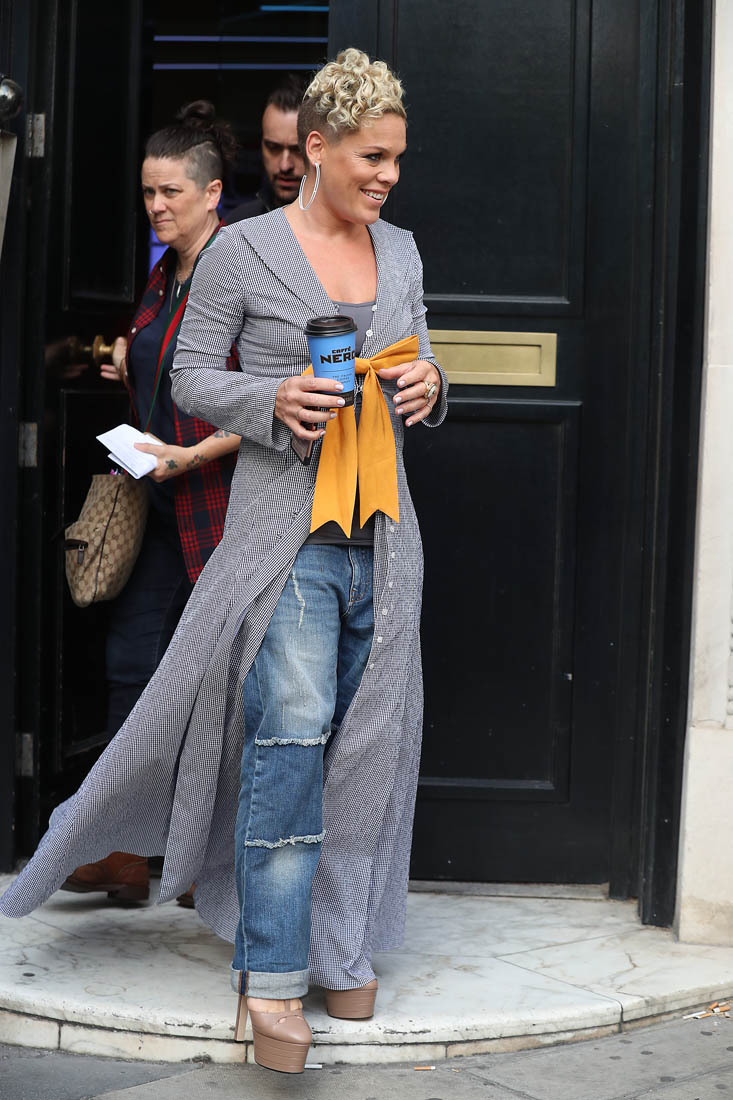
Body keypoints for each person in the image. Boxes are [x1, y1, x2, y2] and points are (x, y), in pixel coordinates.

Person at [0, 48, 447, 1076]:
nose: (388, 176)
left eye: (397, 159)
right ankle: (274, 976)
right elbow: (192, 375)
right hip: (283, 539)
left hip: (385, 537)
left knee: (367, 752)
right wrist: (270, 397)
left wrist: (431, 384)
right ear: (318, 148)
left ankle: (339, 947)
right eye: (372, 157)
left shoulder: (403, 251)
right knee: (287, 745)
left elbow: (420, 355)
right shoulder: (245, 251)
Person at [61, 101, 242, 907]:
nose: (156, 206)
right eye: (147, 192)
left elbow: (274, 399)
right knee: (133, 663)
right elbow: (163, 362)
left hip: (225, 511)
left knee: (222, 685)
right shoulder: (166, 272)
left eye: (170, 192)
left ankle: (211, 861)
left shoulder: (239, 274)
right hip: (163, 507)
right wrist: (128, 366)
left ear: (212, 193)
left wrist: (192, 453)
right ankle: (124, 847)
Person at [226, 74, 306, 222]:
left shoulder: (344, 227)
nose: (285, 166)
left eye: (297, 150)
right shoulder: (239, 225)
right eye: (273, 148)